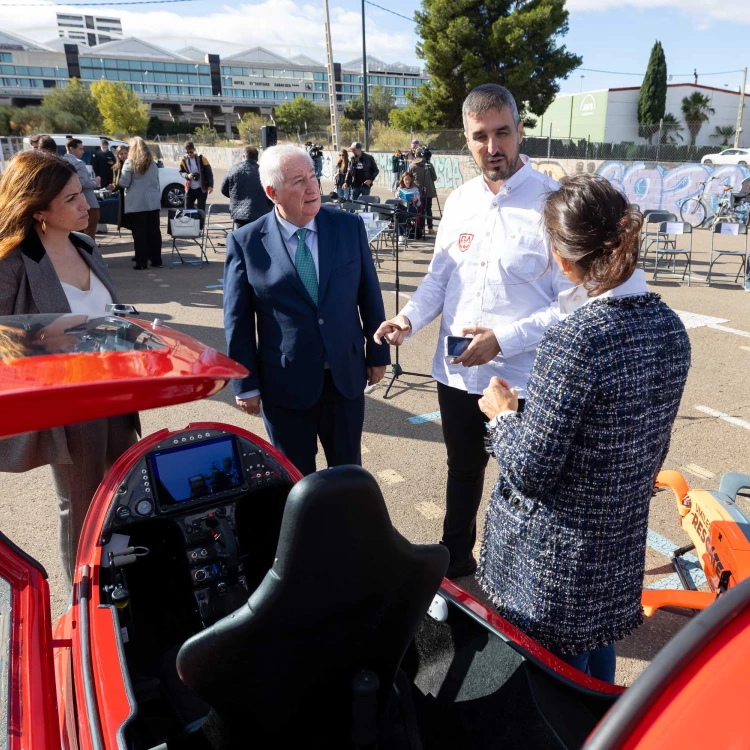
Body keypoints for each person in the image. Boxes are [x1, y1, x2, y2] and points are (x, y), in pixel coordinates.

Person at [476, 173, 691, 682]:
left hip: (559, 557)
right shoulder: (669, 328)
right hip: (616, 542)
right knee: (598, 660)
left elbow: (531, 471)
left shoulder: (577, 340)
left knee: (557, 686)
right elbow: (649, 448)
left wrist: (504, 415)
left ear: (565, 258)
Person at [374, 84, 571, 580]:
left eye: (502, 133)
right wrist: (407, 319)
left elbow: (570, 306)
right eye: (480, 136)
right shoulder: (459, 201)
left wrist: (502, 340)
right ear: (466, 138)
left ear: (520, 130)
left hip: (523, 380)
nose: (493, 147)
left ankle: (522, 574)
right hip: (458, 374)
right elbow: (439, 280)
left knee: (527, 481)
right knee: (462, 472)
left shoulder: (553, 204)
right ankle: (456, 559)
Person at [0, 150, 139, 590]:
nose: (87, 206)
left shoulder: (85, 244)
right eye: (72, 199)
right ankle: (83, 600)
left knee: (126, 494)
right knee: (81, 505)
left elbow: (107, 311)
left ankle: (121, 588)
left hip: (117, 392)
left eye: (83, 194)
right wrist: (43, 339)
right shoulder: (13, 263)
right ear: (38, 210)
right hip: (69, 402)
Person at [224, 145, 390, 476]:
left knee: (347, 475)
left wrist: (378, 353)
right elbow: (238, 322)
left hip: (345, 377)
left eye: (313, 175)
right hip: (285, 386)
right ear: (273, 193)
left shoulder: (348, 227)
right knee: (296, 479)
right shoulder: (246, 242)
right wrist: (245, 384)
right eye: (299, 180)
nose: (312, 187)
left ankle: (344, 529)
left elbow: (369, 294)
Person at [117, 137, 162, 270]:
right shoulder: (153, 164)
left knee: (139, 234)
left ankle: (141, 263)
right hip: (153, 202)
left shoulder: (129, 163)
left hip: (136, 203)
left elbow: (124, 183)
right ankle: (156, 260)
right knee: (154, 232)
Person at [220, 145, 272, 229]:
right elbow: (270, 192)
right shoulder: (263, 171)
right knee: (258, 238)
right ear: (257, 158)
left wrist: (236, 197)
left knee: (242, 238)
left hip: (239, 212)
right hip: (260, 211)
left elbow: (223, 189)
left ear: (244, 156)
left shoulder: (233, 169)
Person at [64, 138, 100, 240]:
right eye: (80, 149)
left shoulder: (61, 161)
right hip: (87, 202)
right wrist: (95, 182)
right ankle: (89, 255)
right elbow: (83, 183)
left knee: (75, 234)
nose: (83, 152)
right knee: (89, 233)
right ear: (71, 149)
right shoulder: (79, 163)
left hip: (70, 202)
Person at [409, 147, 438, 234]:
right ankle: (430, 228)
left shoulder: (412, 165)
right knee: (428, 209)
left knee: (420, 210)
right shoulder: (429, 165)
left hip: (417, 191)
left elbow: (408, 177)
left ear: (415, 155)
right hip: (428, 190)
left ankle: (421, 228)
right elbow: (434, 177)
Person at [179, 141, 214, 211]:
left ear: (194, 150)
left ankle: (201, 222)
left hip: (201, 189)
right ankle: (191, 221)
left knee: (201, 210)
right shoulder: (183, 160)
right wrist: (187, 175)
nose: (189, 154)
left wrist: (211, 185)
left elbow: (209, 172)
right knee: (187, 209)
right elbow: (181, 172)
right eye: (187, 152)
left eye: (191, 152)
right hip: (190, 189)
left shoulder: (201, 158)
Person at [111, 144, 130, 231]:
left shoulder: (132, 165)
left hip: (132, 195)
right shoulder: (116, 167)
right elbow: (115, 183)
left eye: (125, 153)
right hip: (122, 196)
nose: (124, 156)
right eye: (121, 154)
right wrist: (112, 186)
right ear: (118, 156)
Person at [395, 171, 421, 238]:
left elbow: (419, 204)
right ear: (403, 180)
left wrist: (416, 200)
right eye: (405, 179)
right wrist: (397, 197)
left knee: (400, 212)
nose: (407, 181)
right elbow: (395, 201)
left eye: (408, 179)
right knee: (399, 212)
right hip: (402, 208)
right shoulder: (399, 189)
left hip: (411, 208)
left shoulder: (415, 189)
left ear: (411, 180)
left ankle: (401, 234)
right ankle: (401, 234)